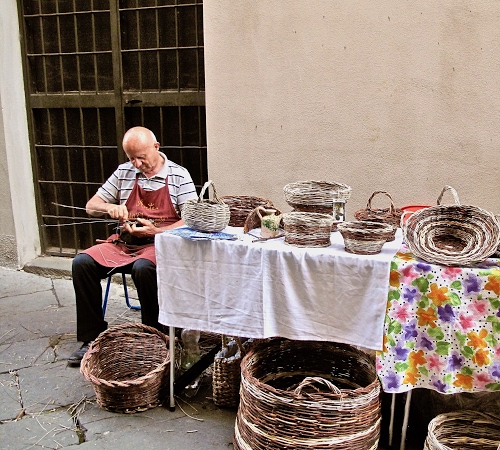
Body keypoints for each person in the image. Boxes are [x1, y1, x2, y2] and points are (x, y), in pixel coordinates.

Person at [68, 126, 198, 366]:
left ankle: (155, 336)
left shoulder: (179, 175)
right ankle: (91, 338)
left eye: (141, 157)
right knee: (82, 263)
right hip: (125, 243)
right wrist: (109, 207)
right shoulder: (123, 172)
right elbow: (90, 206)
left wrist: (157, 231)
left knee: (143, 268)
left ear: (156, 147)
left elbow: (192, 219)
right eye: (131, 158)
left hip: (160, 243)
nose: (137, 164)